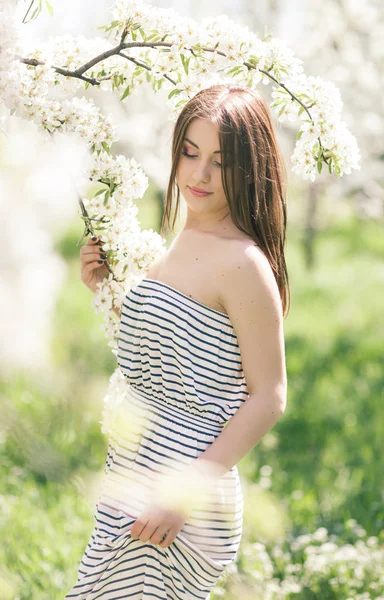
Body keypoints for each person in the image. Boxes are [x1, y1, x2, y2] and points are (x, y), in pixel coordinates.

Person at [65, 84, 288, 600]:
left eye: (220, 161)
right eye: (190, 153)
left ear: (251, 168)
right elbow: (162, 364)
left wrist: (182, 495)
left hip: (179, 499)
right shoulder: (182, 236)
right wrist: (106, 291)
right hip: (134, 477)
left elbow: (269, 396)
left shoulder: (243, 263)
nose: (199, 174)